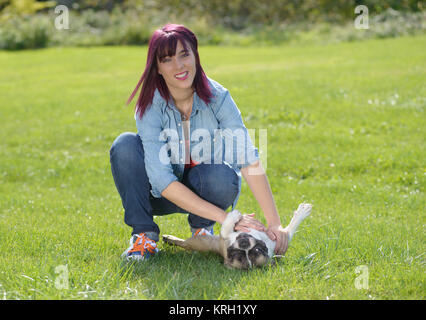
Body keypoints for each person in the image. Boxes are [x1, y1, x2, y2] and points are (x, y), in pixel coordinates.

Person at [110, 23, 289, 261]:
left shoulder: (218, 97)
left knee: (223, 175)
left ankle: (203, 229)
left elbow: (247, 158)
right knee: (125, 146)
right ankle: (144, 236)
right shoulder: (149, 106)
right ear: (157, 68)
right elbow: (162, 180)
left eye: (185, 54)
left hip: (206, 189)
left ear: (196, 55)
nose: (179, 66)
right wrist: (228, 219)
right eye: (167, 59)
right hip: (158, 195)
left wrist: (274, 223)